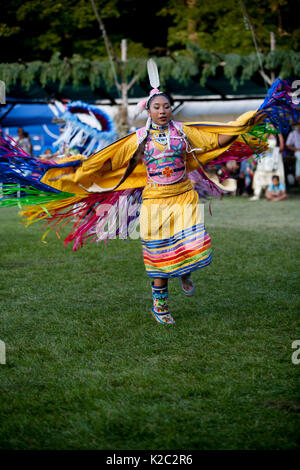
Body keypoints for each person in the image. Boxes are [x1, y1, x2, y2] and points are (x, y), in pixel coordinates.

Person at [0, 65, 296, 325]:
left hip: (183, 196)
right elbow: (110, 160)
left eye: (167, 106)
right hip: (155, 201)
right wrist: (76, 172)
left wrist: (243, 124)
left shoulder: (184, 132)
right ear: (149, 110)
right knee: (159, 257)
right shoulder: (138, 139)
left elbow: (215, 139)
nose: (163, 110)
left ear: (171, 108)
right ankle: (160, 306)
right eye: (157, 107)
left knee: (191, 244)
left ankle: (186, 271)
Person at [250, 132, 285, 200]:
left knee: (272, 179)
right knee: (258, 177)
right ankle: (257, 194)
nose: (271, 137)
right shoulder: (262, 146)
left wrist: (279, 134)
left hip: (273, 165)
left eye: (273, 137)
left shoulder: (276, 150)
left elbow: (281, 148)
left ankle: (271, 194)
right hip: (263, 164)